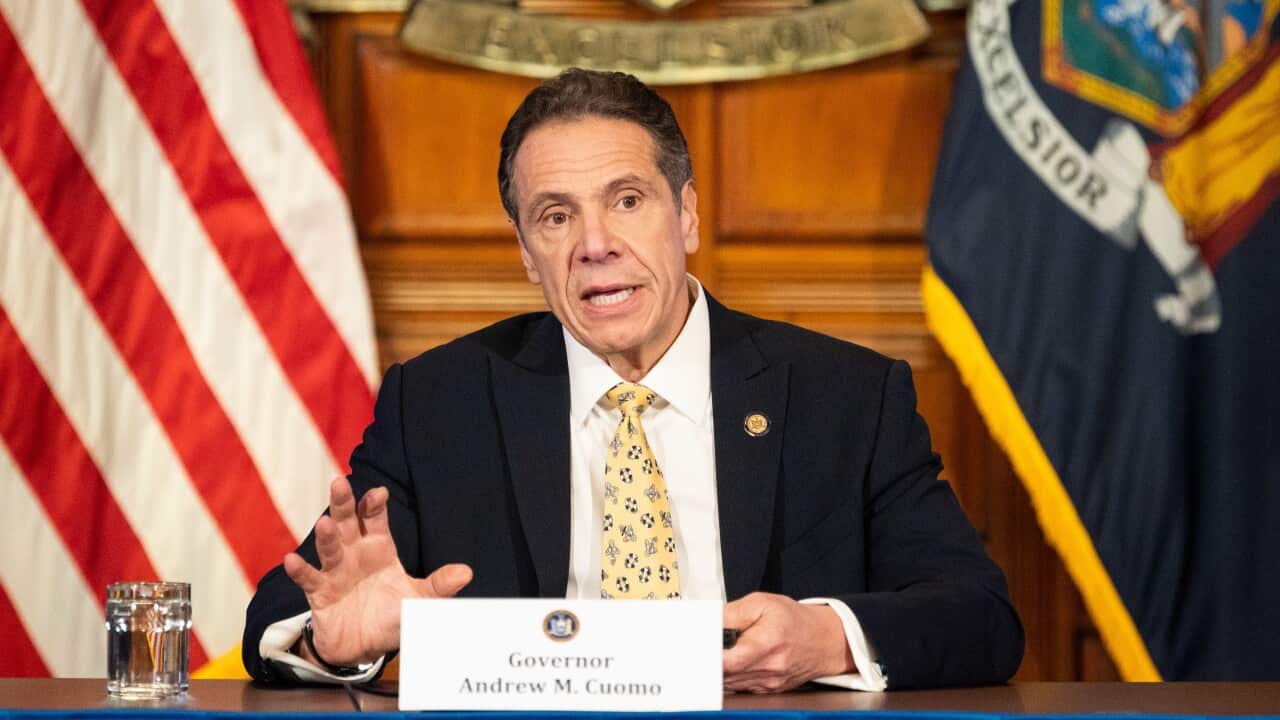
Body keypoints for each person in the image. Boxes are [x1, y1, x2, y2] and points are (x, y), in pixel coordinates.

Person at [243, 68, 1024, 692]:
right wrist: (333, 643)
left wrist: (825, 638)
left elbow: (981, 617)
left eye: (626, 201)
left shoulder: (845, 398)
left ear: (684, 216)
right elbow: (301, 611)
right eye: (555, 216)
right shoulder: (441, 404)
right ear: (526, 252)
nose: (595, 244)